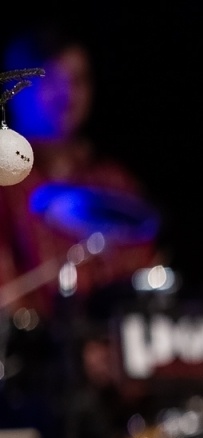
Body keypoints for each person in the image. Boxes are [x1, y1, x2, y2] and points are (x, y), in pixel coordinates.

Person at [0, 30, 154, 313]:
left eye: (78, 80)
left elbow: (145, 276)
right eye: (50, 80)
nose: (68, 94)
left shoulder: (114, 183)